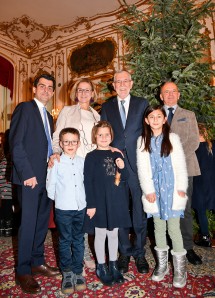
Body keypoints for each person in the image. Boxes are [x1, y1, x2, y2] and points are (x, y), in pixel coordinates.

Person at [9, 73, 59, 294]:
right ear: (34, 88)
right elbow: (16, 144)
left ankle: (37, 262)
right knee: (28, 224)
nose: (46, 90)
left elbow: (45, 146)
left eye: (50, 88)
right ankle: (23, 271)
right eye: (42, 86)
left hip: (46, 178)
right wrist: (27, 173)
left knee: (41, 222)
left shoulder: (49, 117)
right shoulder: (25, 108)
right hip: (29, 178)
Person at [101, 70, 149, 274]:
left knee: (139, 210)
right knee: (119, 210)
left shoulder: (142, 103)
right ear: (113, 85)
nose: (121, 84)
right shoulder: (106, 106)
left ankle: (139, 253)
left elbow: (149, 131)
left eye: (125, 81)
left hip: (138, 164)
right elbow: (103, 132)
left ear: (131, 83)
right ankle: (124, 252)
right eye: (117, 81)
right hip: (116, 165)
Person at [51, 78, 100, 270]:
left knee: (88, 207)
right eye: (80, 90)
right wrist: (56, 152)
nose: (83, 93)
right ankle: (79, 250)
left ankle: (84, 248)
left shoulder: (97, 115)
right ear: (75, 92)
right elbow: (57, 136)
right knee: (73, 209)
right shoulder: (66, 111)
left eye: (87, 90)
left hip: (90, 166)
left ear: (93, 93)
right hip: (71, 165)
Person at [137, 105, 188, 288]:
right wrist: (148, 190)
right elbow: (143, 169)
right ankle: (162, 266)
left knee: (174, 229)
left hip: (172, 190)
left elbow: (180, 165)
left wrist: (181, 187)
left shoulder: (172, 138)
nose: (156, 119)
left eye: (159, 116)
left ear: (164, 119)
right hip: (155, 192)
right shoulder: (143, 141)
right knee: (158, 228)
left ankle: (181, 270)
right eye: (152, 117)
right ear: (146, 120)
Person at [84, 121, 131, 286]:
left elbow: (124, 178)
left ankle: (113, 265)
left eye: (107, 134)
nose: (104, 138)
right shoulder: (91, 157)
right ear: (95, 137)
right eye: (100, 135)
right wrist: (91, 204)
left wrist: (123, 166)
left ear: (112, 136)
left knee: (113, 234)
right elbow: (88, 182)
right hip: (99, 201)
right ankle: (101, 267)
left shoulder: (117, 154)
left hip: (115, 201)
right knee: (101, 234)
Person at [160, 81, 202, 265]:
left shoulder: (189, 115)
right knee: (164, 208)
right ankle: (168, 246)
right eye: (166, 92)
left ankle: (187, 248)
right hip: (160, 170)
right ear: (161, 96)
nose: (170, 95)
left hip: (185, 168)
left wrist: (174, 158)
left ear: (179, 95)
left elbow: (194, 141)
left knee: (184, 208)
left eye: (173, 92)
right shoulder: (154, 115)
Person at [46, 128, 86, 295]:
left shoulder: (83, 161)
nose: (70, 144)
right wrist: (61, 200)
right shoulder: (56, 162)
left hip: (80, 208)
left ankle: (78, 271)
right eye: (66, 142)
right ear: (61, 144)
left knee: (78, 240)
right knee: (64, 241)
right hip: (63, 209)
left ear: (78, 143)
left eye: (73, 141)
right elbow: (51, 186)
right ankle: (67, 272)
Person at [192, 123, 215, 247]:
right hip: (212, 182)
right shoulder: (212, 145)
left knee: (201, 211)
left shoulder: (194, 148)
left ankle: (206, 237)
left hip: (199, 182)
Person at [0, 130, 13, 237]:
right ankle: (8, 228)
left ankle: (2, 227)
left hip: (2, 184)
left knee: (4, 205)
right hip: (9, 185)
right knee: (8, 206)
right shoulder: (12, 154)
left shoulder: (3, 153)